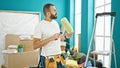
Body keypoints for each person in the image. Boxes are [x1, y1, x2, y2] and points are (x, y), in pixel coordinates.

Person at [33, 3, 72, 68]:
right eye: (54, 10)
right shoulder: (39, 26)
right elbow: (35, 45)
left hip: (59, 58)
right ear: (48, 14)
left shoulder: (55, 23)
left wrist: (65, 37)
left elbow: (57, 38)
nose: (57, 12)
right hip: (48, 59)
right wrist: (51, 38)